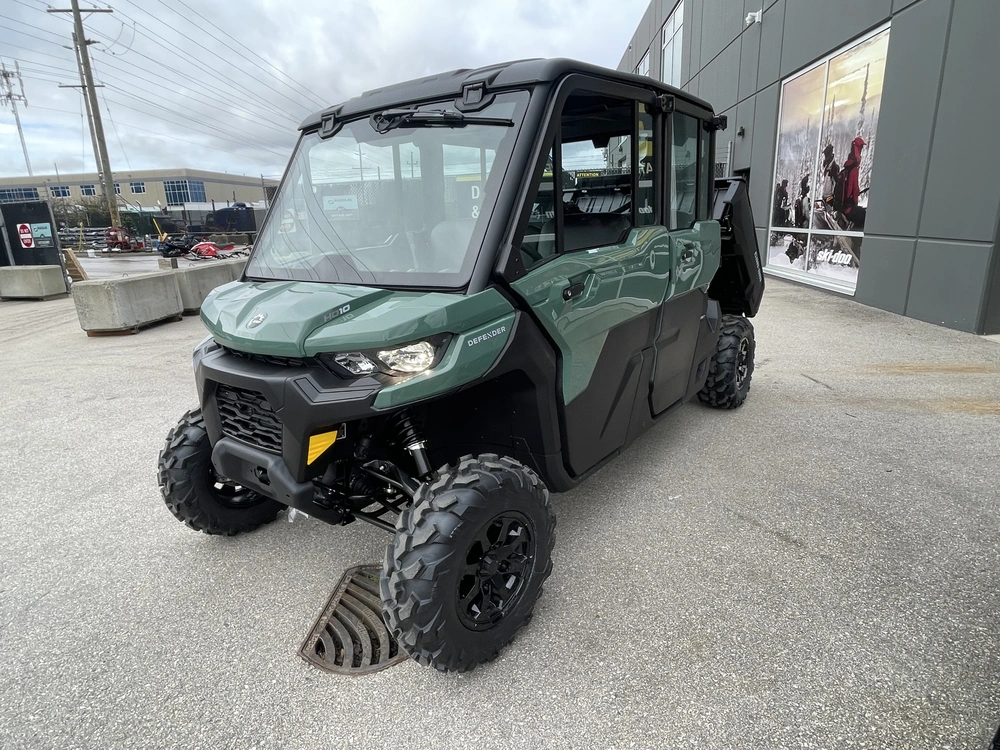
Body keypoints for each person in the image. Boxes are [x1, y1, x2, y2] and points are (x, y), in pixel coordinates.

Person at [837, 136, 866, 230]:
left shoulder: (847, 169)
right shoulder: (854, 170)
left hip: (843, 207)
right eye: (861, 147)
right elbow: (853, 191)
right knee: (865, 217)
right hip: (848, 208)